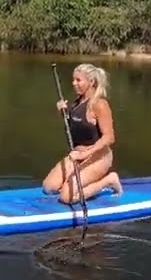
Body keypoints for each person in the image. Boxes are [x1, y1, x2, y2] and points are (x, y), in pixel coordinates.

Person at [42, 62, 122, 203]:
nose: (74, 83)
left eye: (78, 80)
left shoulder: (99, 104)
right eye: (73, 80)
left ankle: (109, 180)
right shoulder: (77, 103)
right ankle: (74, 184)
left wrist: (85, 153)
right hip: (76, 156)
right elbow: (75, 126)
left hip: (98, 156)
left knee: (66, 197)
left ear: (91, 82)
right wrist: (62, 113)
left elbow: (109, 137)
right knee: (49, 187)